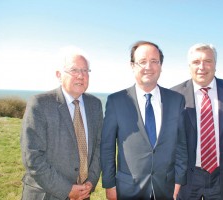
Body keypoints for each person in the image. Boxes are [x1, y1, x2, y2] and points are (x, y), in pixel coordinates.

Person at [101, 41, 188, 200]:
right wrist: (109, 184)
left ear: (161, 66)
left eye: (154, 61)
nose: (149, 66)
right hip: (128, 189)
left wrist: (179, 180)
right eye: (142, 62)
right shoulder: (116, 101)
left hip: (166, 188)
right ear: (132, 65)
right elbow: (107, 147)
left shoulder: (176, 100)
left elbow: (181, 144)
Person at [171, 43, 223, 200]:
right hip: (186, 177)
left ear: (215, 64)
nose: (201, 67)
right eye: (196, 62)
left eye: (207, 61)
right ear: (189, 66)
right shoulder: (173, 95)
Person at [20, 47, 103, 200]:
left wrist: (90, 181)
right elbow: (32, 157)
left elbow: (99, 146)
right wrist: (67, 189)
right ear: (59, 75)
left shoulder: (95, 105)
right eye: (74, 70)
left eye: (85, 71)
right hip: (46, 194)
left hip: (83, 194)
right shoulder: (39, 104)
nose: (80, 75)